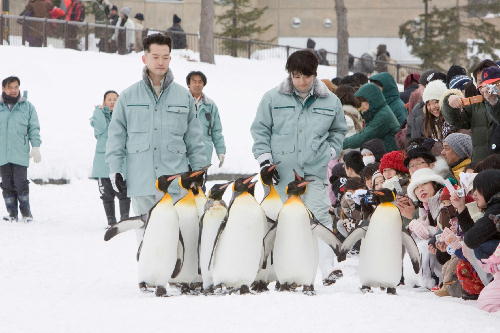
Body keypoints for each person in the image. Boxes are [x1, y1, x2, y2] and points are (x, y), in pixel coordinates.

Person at [251, 49, 347, 284]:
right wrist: (265, 161)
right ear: (289, 75)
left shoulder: (330, 101)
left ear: (315, 74)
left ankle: (327, 268)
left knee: (320, 216)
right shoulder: (272, 98)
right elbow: (260, 130)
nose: (302, 81)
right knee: (278, 221)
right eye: (296, 76)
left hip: (314, 170)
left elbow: (338, 131)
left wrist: (330, 152)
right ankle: (272, 271)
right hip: (281, 173)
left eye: (306, 76)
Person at [105, 33, 206, 222]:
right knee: (146, 241)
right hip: (142, 182)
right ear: (144, 58)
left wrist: (199, 172)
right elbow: (116, 136)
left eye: (165, 57)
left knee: (177, 241)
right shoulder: (128, 97)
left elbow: (195, 139)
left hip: (177, 184)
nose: (161, 62)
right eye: (156, 57)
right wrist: (115, 168)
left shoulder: (184, 97)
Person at [0, 76, 41, 222]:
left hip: (20, 153)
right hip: (2, 155)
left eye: (16, 87)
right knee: (6, 185)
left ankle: (26, 213)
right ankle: (12, 214)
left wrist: (35, 146)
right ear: (3, 89)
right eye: (10, 87)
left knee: (20, 183)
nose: (13, 90)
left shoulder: (27, 107)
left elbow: (34, 128)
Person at [442, 60, 500, 162]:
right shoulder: (474, 104)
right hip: (480, 165)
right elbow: (456, 121)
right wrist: (449, 102)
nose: (485, 86)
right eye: (480, 81)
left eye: (490, 82)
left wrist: (494, 102)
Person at [91, 90, 130, 228]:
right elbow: (101, 129)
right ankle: (111, 221)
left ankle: (125, 220)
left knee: (124, 192)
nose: (113, 102)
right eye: (109, 99)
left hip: (121, 162)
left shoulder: (125, 115)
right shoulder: (100, 116)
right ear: (104, 102)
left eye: (115, 99)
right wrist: (98, 111)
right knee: (107, 194)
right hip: (103, 163)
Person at [342, 83, 400, 151]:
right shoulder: (379, 112)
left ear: (370, 101)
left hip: (389, 155)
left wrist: (340, 144)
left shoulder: (383, 116)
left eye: (361, 102)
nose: (361, 106)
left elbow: (364, 137)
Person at [186, 71, 226, 168]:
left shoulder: (210, 105)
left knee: (200, 182)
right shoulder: (181, 102)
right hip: (184, 155)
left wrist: (220, 151)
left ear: (204, 84)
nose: (197, 84)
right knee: (183, 183)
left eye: (200, 82)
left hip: (203, 155)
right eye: (194, 81)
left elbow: (216, 131)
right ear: (188, 84)